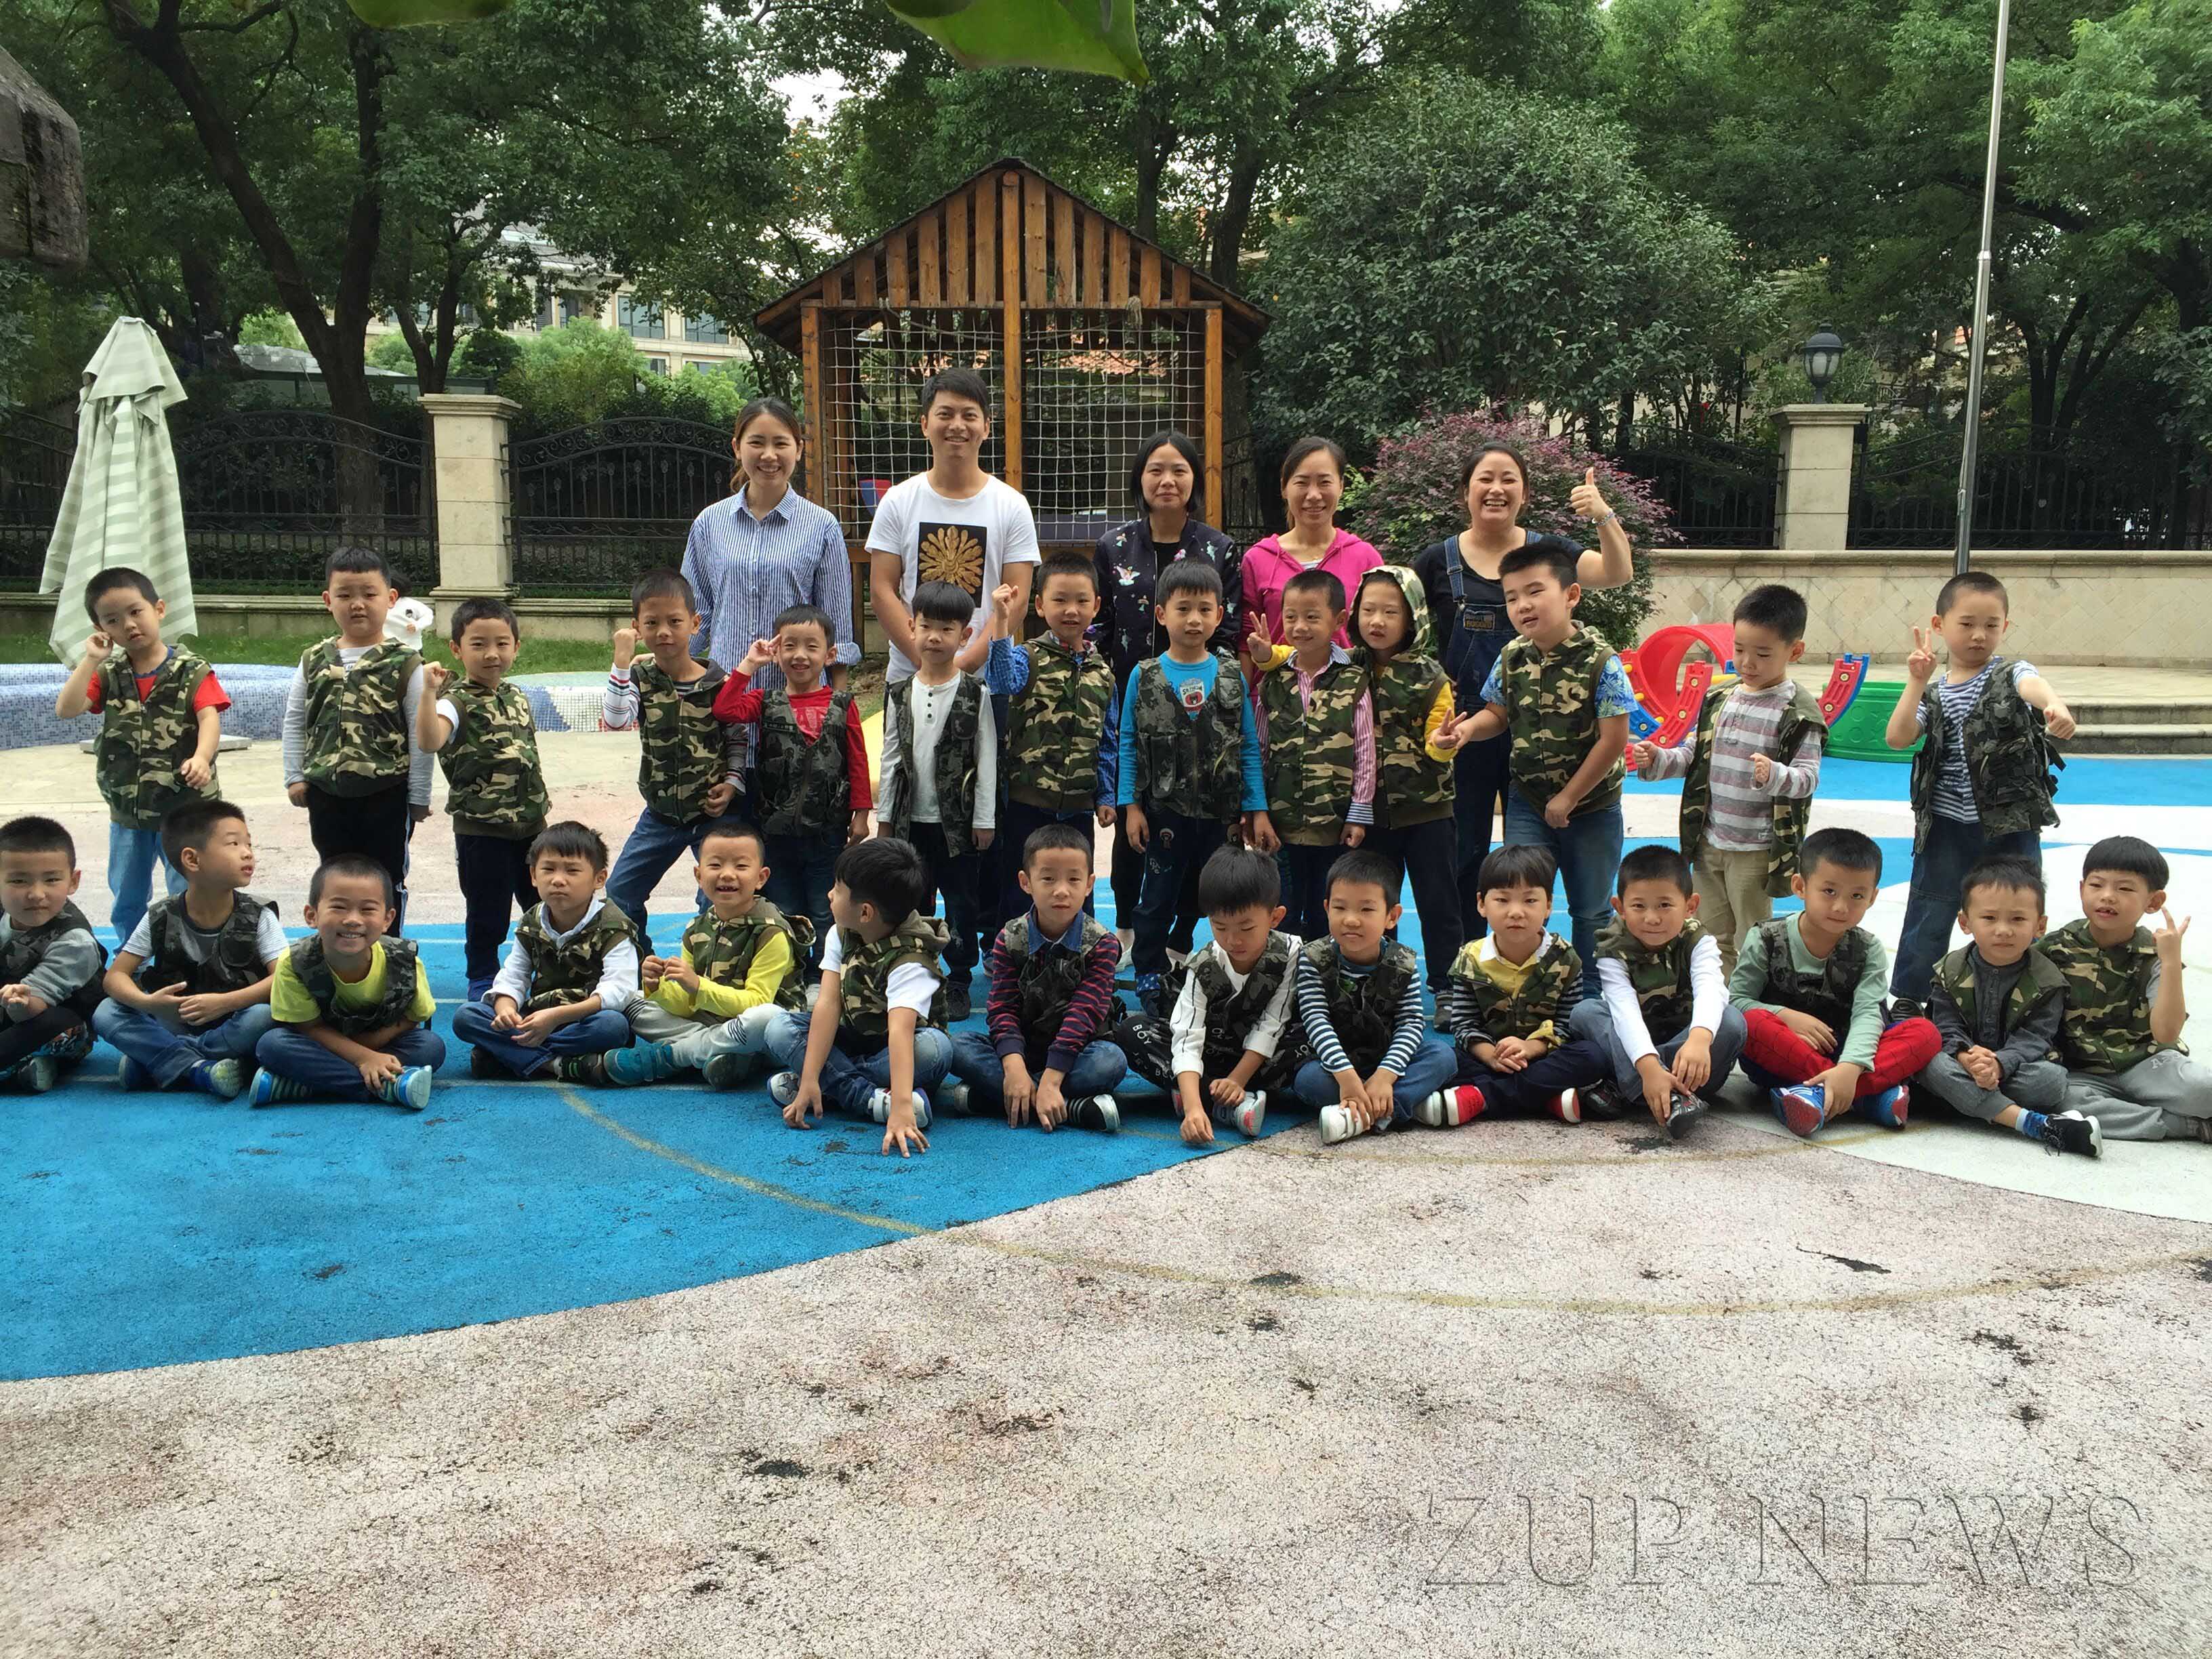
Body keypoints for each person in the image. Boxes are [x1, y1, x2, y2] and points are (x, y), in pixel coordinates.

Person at [1413, 443, 1635, 937]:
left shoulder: (1548, 556)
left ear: (1525, 493)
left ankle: (1557, 967)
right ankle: (1472, 962)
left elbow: (1618, 573)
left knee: (1543, 876)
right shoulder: (1436, 561)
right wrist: (1434, 694)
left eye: (1509, 478)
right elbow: (1402, 630)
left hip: (1545, 736)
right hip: (1473, 724)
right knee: (1465, 854)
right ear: (1465, 492)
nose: (1496, 489)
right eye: (1485, 478)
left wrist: (1603, 515)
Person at [1884, 570, 2074, 1012]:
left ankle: (2020, 1000)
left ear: (2005, 626)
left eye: (1991, 625)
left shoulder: (2010, 673)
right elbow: (1897, 737)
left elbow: (2032, 684)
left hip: (2011, 826)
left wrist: (2054, 704)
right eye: (1967, 623)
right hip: (1946, 826)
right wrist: (1916, 681)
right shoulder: (1934, 694)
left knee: (2016, 911)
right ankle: (1911, 998)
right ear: (1939, 625)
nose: (1979, 635)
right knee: (1930, 910)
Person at [1450, 541, 1634, 991]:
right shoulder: (1512, 656)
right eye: (1512, 597)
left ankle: (1593, 996)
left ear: (1571, 594)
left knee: (1590, 909)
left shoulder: (1601, 662)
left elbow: (1614, 741)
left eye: (1535, 591)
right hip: (1529, 803)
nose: (1523, 606)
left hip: (1592, 807)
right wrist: (1467, 730)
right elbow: (1497, 715)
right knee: (1521, 899)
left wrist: (1569, 798)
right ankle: (1526, 988)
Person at [1632, 583, 1826, 977]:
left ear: (1795, 651)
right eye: (1739, 650)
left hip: (1754, 847)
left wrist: (1775, 774)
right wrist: (1657, 760)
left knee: (1753, 935)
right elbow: (1693, 755)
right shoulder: (1720, 699)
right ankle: (1716, 998)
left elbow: (1808, 779)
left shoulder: (1798, 712)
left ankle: (1752, 999)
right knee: (1709, 933)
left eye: (1763, 654)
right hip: (1709, 841)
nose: (1747, 662)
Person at [1095, 431, 1244, 934]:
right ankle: (1126, 927)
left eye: (1179, 470)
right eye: (1155, 470)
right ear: (1139, 478)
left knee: (1193, 826)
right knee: (1134, 817)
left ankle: (1181, 933)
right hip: (1131, 703)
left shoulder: (1219, 548)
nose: (1167, 480)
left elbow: (1228, 630)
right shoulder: (1113, 546)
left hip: (1202, 711)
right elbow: (1101, 628)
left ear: (1194, 479)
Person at [1116, 560, 1266, 1016]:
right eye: (1183, 609)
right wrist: (1130, 807)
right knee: (1156, 898)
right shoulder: (1144, 675)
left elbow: (1248, 746)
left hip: (1221, 816)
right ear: (1162, 614)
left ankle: (1212, 964)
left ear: (1220, 615)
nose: (1194, 619)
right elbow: (1128, 743)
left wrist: (1256, 808)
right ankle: (1148, 971)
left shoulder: (1231, 676)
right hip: (1165, 811)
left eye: (1204, 609)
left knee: (1216, 895)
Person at [53, 567, 228, 947]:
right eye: (113, 620)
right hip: (128, 810)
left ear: (159, 609)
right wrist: (91, 660)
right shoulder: (109, 673)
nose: (129, 625)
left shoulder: (191, 670)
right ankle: (132, 957)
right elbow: (66, 709)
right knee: (127, 895)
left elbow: (209, 717)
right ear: (100, 629)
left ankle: (189, 954)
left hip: (184, 809)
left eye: (136, 612)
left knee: (189, 889)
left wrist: (202, 757)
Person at [1728, 828, 1940, 1138]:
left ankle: (1817, 1094)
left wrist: (1850, 1067)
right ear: (1800, 886)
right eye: (1829, 891)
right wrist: (1785, 1016)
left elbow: (1868, 1013)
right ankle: (1866, 1097)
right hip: (1783, 1054)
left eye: (1857, 896)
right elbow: (1737, 1002)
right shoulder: (1766, 938)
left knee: (1925, 1033)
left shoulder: (1868, 948)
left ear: (1873, 897)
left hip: (1849, 1052)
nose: (1841, 907)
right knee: (1750, 1023)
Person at [763, 837, 952, 1156]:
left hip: (897, 1052)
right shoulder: (841, 932)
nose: (829, 895)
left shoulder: (911, 959)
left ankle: (840, 1087)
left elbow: (901, 1031)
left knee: (936, 1050)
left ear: (865, 912)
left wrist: (901, 1109)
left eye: (838, 890)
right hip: (851, 1039)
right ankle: (870, 1099)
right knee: (778, 1028)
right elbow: (828, 1004)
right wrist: (809, 1077)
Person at [279, 547, 433, 935]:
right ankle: (336, 950)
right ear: (328, 600)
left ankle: (388, 950)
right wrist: (295, 776)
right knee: (333, 875)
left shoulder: (405, 663)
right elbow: (296, 720)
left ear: (391, 599)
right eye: (345, 595)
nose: (358, 604)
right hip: (326, 793)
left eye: (369, 594)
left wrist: (418, 797)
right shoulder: (314, 659)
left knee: (385, 877)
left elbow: (421, 735)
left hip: (386, 794)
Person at [1111, 846, 1305, 1146]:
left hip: (1262, 1062)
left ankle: (1211, 1093)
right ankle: (1221, 1102)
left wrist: (1237, 1079)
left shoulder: (1292, 952)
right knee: (1131, 1031)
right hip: (1211, 1054)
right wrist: (1193, 1111)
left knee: (1309, 1037)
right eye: (1220, 927)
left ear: (1275, 917)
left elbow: (1273, 1022)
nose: (1233, 940)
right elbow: (1187, 1037)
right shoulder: (1204, 965)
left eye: (1246, 927)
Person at [712, 604, 872, 962]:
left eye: (811, 647)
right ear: (776, 652)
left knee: (824, 907)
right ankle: (788, 971)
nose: (800, 655)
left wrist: (861, 814)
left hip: (827, 830)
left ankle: (823, 973)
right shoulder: (764, 702)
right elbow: (724, 709)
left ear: (829, 655)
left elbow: (857, 761)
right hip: (775, 830)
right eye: (789, 646)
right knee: (782, 908)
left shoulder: (842, 703)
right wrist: (750, 664)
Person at [93, 799, 283, 1099]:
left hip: (234, 1021)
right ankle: (202, 1068)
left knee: (264, 1015)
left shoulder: (259, 915)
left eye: (249, 844)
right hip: (175, 1020)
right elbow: (115, 977)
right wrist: (150, 1003)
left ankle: (161, 1060)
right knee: (106, 1011)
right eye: (233, 844)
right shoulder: (161, 914)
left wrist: (225, 1003)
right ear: (192, 860)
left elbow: (283, 978)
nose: (248, 853)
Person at [943, 823, 1126, 1132]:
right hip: (1021, 1051)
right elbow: (1002, 1009)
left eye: (1073, 879)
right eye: (1048, 879)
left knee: (1111, 1061)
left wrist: (1052, 1078)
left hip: (1077, 1053)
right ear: (1026, 882)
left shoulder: (1102, 944)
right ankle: (1071, 1107)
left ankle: (1002, 1099)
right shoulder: (1010, 938)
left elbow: (1085, 1012)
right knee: (956, 1047)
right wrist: (1014, 1066)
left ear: (1089, 884)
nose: (1061, 890)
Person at [865, 367, 1040, 688]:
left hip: (986, 681)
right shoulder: (898, 501)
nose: (957, 425)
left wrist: (964, 664)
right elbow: (881, 590)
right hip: (910, 678)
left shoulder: (1012, 506)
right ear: (925, 424)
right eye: (945, 414)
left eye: (969, 415)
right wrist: (927, 662)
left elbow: (1017, 598)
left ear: (986, 427)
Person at [601, 569, 745, 954]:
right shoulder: (640, 677)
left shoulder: (718, 683)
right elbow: (615, 720)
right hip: (660, 814)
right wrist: (621, 660)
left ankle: (705, 964)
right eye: (652, 623)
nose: (664, 632)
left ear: (695, 624)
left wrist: (732, 783)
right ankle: (640, 962)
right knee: (619, 894)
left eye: (675, 622)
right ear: (637, 628)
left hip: (712, 816)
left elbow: (737, 738)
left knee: (719, 897)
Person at [414, 596, 548, 1001]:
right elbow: (430, 740)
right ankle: (483, 975)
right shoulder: (455, 702)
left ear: (516, 646)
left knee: (543, 904)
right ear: (456, 649)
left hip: (532, 826)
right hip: (482, 829)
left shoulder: (517, 695)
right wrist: (427, 694)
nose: (492, 654)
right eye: (478, 644)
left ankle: (548, 969)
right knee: (487, 909)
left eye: (502, 643)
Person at [682, 396, 857, 704]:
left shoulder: (821, 527)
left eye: (780, 443)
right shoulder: (710, 523)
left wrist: (838, 707)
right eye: (757, 443)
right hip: (726, 693)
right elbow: (695, 614)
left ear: (799, 450)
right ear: (737, 448)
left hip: (797, 701)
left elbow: (836, 628)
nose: (769, 455)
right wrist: (675, 671)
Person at [1567, 844, 1748, 1139]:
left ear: (1690, 905)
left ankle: (1629, 1090)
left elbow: (1711, 990)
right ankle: (1673, 1098)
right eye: (1639, 906)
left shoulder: (1699, 941)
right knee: (1585, 1013)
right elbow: (1624, 1013)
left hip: (1687, 1058)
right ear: (1619, 907)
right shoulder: (1612, 948)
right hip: (1635, 1052)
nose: (1652, 918)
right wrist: (1650, 1068)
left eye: (1665, 905)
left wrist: (1699, 1040)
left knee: (1732, 1021)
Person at [876, 581, 997, 1022]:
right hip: (909, 823)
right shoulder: (897, 692)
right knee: (913, 900)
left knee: (962, 901)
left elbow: (986, 759)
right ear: (912, 627)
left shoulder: (976, 693)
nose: (934, 637)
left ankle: (960, 977)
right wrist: (885, 820)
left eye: (947, 629)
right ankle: (919, 973)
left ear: (965, 635)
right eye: (927, 626)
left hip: (958, 826)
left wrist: (984, 819)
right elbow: (890, 758)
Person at [1912, 855, 2091, 1152]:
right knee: (1932, 1065)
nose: (2004, 930)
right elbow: (1945, 1026)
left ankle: (1962, 1101)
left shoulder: (2048, 979)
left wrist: (1999, 1064)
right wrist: (1966, 1057)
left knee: (2051, 1081)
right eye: (1990, 918)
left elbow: (2036, 1038)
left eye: (2018, 919)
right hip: (1962, 1062)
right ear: (1965, 922)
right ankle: (2026, 1121)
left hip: (2016, 1070)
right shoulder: (1949, 970)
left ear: (2040, 925)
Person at [2041, 836, 2211, 1144]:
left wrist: (2171, 962)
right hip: (2081, 1072)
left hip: (2146, 1063)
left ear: (2154, 902)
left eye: (2125, 889)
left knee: (2204, 1089)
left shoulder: (2155, 953)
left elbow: (2166, 1033)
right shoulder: (2055, 947)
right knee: (2059, 1099)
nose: (2108, 897)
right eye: (2097, 885)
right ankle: (2186, 1126)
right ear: (2082, 889)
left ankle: (2133, 1110)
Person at [975, 560, 1118, 924]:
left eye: (1081, 601)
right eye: (1060, 600)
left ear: (1096, 606)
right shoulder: (1028, 656)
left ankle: (1079, 949)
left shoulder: (1103, 674)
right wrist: (1002, 621)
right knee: (1021, 888)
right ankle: (1010, 949)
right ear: (1040, 606)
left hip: (1079, 806)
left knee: (1075, 888)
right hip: (1027, 802)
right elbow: (1001, 681)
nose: (1071, 610)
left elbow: (1107, 741)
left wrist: (1105, 796)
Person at [613, 823, 808, 1089]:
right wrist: (658, 988)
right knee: (632, 1000)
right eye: (715, 865)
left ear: (761, 877)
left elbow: (756, 1002)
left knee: (766, 1017)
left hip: (765, 1035)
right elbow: (687, 1006)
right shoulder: (696, 929)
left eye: (741, 866)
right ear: (699, 875)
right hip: (717, 1024)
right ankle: (723, 1055)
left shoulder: (771, 932)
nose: (727, 874)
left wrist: (697, 985)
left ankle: (673, 1057)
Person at [249, 854, 444, 1109]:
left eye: (367, 910)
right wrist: (363, 1058)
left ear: (387, 919)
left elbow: (412, 1018)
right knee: (273, 1044)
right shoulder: (295, 963)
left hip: (375, 1043)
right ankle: (390, 1086)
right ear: (311, 915)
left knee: (430, 1047)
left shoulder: (404, 961)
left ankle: (306, 1085)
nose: (353, 919)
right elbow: (309, 1028)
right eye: (339, 907)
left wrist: (368, 1052)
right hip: (321, 1043)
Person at [451, 822, 639, 1083]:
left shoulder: (613, 925)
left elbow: (619, 989)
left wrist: (554, 1018)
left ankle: (510, 1055)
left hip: (584, 1018)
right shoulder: (532, 921)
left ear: (599, 879)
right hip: (535, 1017)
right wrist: (506, 1009)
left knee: (613, 1027)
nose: (558, 880)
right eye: (548, 869)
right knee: (466, 1017)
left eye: (572, 871)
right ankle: (558, 1065)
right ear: (533, 875)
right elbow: (514, 976)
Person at [1347, 566, 1463, 987]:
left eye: (1390, 612)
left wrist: (1443, 743)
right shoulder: (1345, 666)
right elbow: (1295, 659)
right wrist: (1267, 656)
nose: (1377, 621)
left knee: (1439, 903)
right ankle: (1384, 982)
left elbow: (1437, 739)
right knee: (1374, 903)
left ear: (1412, 617)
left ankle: (1446, 986)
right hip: (1369, 814)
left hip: (1427, 812)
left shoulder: (1430, 676)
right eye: (1368, 610)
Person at [1295, 850, 1460, 1145]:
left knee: (1443, 1056)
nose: (1351, 920)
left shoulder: (1403, 963)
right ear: (1327, 908)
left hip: (1387, 1061)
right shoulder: (1313, 958)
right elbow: (1316, 1019)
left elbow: (1411, 1024)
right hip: (1335, 1065)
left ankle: (1361, 1113)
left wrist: (1386, 1076)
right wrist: (1346, 1076)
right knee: (1306, 1079)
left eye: (1366, 910)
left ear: (1392, 916)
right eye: (1340, 908)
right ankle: (1404, 1107)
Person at [1435, 845, 1606, 1125]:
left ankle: (1483, 1098)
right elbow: (1464, 1026)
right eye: (1502, 900)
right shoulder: (1469, 959)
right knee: (1440, 1059)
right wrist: (1492, 1057)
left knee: (1592, 1056)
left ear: (1548, 905)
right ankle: (1545, 1098)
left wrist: (1530, 1047)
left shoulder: (1565, 958)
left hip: (1543, 1056)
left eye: (1530, 901)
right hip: (1488, 1057)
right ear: (1481, 904)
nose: (1516, 912)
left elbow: (1567, 1025)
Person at [1245, 568, 1370, 939]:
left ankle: (1319, 974)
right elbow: (1259, 750)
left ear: (1339, 620)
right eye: (1291, 617)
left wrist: (1358, 814)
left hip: (1334, 824)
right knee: (1280, 913)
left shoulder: (1354, 680)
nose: (1300, 627)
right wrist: (1256, 811)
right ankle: (1282, 975)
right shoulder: (1273, 681)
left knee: (1325, 914)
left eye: (1312, 617)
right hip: (1279, 826)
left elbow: (1365, 753)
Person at [1240, 437, 1381, 650]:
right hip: (1276, 673)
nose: (1314, 495)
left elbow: (1381, 635)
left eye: (1325, 482)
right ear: (1284, 488)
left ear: (1341, 486)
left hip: (1350, 673)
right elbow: (1246, 641)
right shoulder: (1258, 559)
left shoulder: (1365, 558)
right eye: (1302, 483)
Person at [0, 816, 106, 1093]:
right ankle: (26, 1072)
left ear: (73, 881)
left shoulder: (75, 942)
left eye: (51, 880)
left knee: (58, 1024)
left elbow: (28, 1012)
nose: (36, 894)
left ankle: (27, 1063)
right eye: (19, 881)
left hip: (40, 1017)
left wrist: (19, 1003)